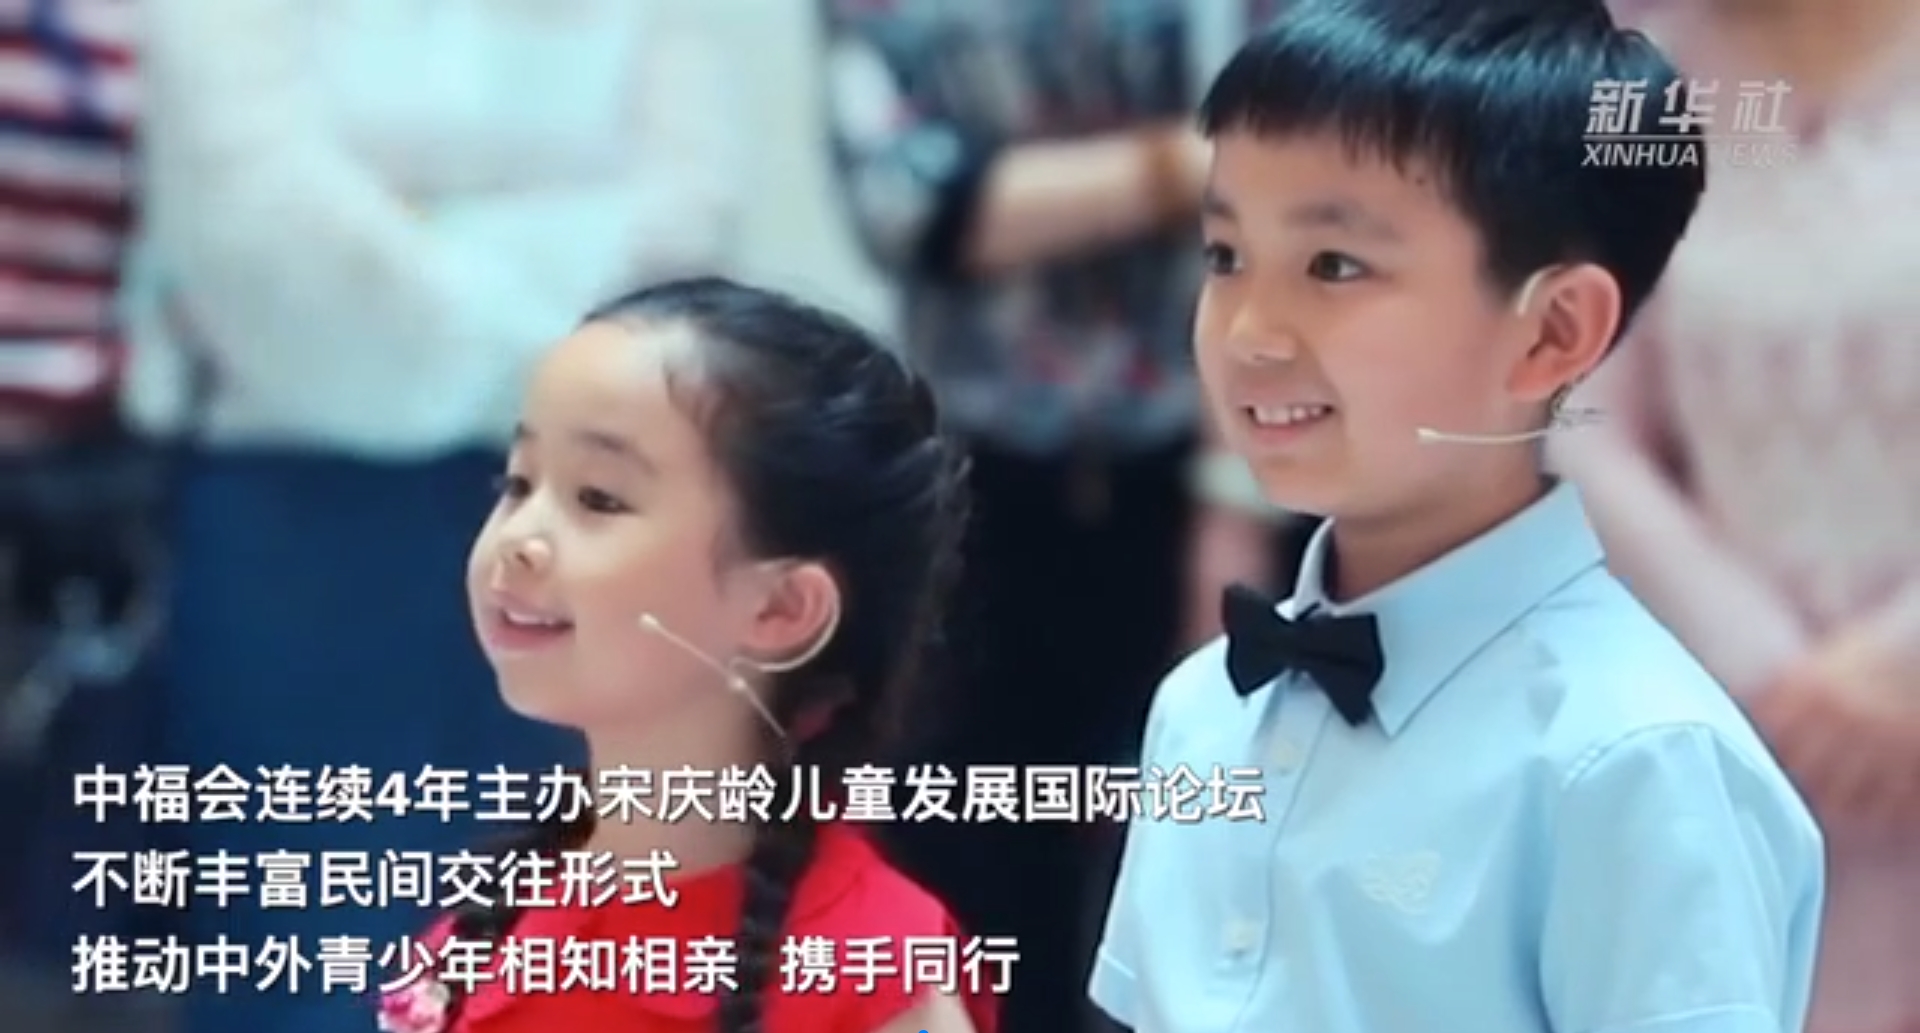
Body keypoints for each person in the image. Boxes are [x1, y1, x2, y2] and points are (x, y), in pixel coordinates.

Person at [1089, 1, 1826, 1031]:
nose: (1250, 333)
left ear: (1552, 331)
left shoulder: (1634, 758)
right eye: (1224, 255)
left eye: (1333, 266)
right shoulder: (1202, 707)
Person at [122, 3, 740, 1031]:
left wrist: (431, 240)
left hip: (597, 528)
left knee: (560, 949)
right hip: (301, 509)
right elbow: (261, 230)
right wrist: (551, 290)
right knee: (306, 952)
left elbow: (689, 218)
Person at [817, 4, 1296, 1026]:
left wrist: (1235, 499)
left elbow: (1304, 172)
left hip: (1207, 467)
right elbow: (918, 207)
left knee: (1202, 868)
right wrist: (1185, 165)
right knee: (972, 871)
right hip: (972, 484)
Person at [379, 277, 991, 1033]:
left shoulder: (875, 971)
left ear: (780, 608)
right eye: (518, 482)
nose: (519, 538)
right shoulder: (481, 929)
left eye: (599, 498)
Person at [1559, 2, 1920, 1030]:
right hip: (1749, 742)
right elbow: (1577, 414)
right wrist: (1765, 674)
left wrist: (1904, 660)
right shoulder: (1636, 97)